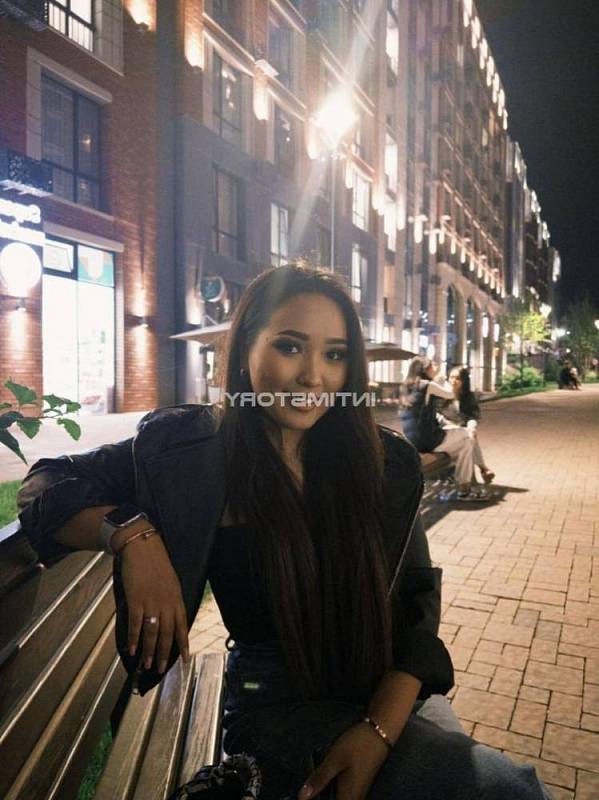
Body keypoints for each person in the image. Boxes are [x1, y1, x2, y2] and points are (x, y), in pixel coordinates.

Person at [17, 265, 550, 800]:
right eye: (290, 347)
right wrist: (133, 536)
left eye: (335, 354)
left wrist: (379, 730)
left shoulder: (383, 462)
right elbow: (43, 485)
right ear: (244, 350)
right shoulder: (193, 450)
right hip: (276, 704)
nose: (313, 376)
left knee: (507, 788)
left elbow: (416, 602)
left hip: (388, 686)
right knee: (506, 791)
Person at [399, 357, 483, 501]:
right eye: (432, 365)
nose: (435, 367)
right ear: (425, 369)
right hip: (428, 440)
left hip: (413, 440)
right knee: (467, 434)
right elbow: (450, 394)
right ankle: (464, 489)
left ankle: (465, 488)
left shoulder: (406, 386)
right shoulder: (427, 385)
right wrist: (442, 379)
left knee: (466, 444)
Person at [442, 366, 495, 485]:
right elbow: (439, 417)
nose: (453, 381)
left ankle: (474, 476)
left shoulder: (468, 397)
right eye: (451, 377)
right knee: (468, 437)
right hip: (445, 431)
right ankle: (483, 469)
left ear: (464, 381)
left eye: (457, 378)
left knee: (469, 437)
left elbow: (472, 416)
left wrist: (471, 426)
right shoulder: (442, 396)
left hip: (462, 431)